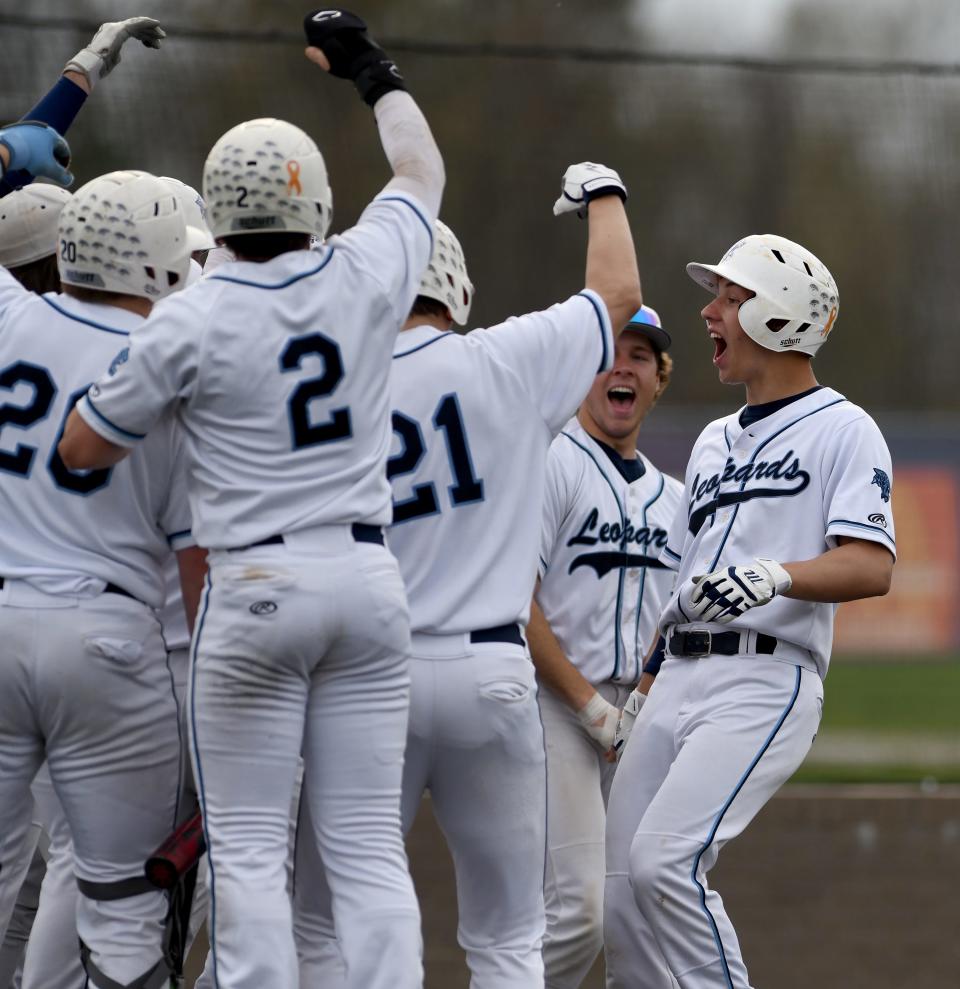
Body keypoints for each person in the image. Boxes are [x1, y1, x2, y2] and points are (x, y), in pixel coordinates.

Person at [58, 9, 445, 988]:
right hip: (365, 574)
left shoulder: (191, 317)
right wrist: (373, 72)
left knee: (248, 848)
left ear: (216, 212)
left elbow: (83, 444)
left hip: (254, 583)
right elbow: (419, 175)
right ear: (315, 201)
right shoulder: (365, 269)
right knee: (364, 850)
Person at [294, 158, 642, 989]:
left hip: (369, 672)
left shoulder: (326, 383)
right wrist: (603, 193)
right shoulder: (508, 360)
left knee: (324, 920)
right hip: (492, 672)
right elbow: (620, 292)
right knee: (509, 942)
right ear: (455, 288)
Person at [603, 234, 896, 989]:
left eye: (728, 298)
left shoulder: (844, 428)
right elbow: (682, 581)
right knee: (622, 891)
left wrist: (776, 575)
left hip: (763, 677)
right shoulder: (710, 440)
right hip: (677, 678)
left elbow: (872, 564)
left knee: (665, 861)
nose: (709, 311)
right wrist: (641, 687)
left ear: (779, 315)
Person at [0, 124, 207, 989]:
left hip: (2, 614)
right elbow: (198, 565)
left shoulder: (11, 314)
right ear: (155, 264)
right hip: (111, 641)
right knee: (122, 904)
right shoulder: (171, 366)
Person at [525, 304, 681, 988]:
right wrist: (591, 707)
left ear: (658, 379)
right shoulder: (550, 461)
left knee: (635, 911)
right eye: (609, 352)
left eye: (641, 356)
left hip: (637, 717)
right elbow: (515, 600)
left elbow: (676, 624)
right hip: (556, 707)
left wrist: (640, 703)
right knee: (579, 910)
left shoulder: (676, 499)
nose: (623, 366)